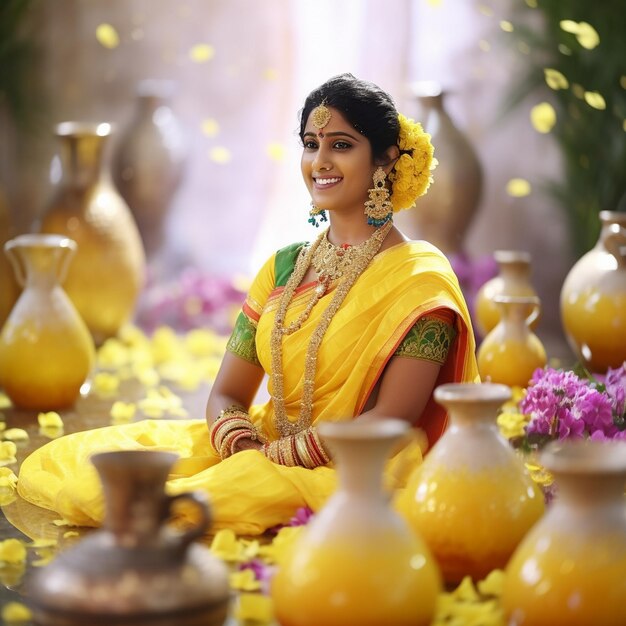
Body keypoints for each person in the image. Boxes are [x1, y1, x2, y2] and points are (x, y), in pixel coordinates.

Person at [18, 74, 479, 536]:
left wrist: (277, 461)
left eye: (341, 145)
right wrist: (242, 448)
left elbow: (391, 420)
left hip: (362, 469)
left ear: (385, 159)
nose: (319, 161)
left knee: (171, 505)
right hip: (262, 448)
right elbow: (227, 393)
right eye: (310, 143)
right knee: (101, 472)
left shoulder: (418, 281)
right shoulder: (283, 269)